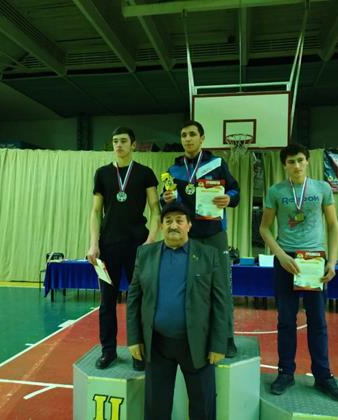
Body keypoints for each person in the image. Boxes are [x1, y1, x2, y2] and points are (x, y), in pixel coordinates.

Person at [258, 143, 338, 402]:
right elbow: (264, 228)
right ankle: (285, 372)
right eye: (291, 162)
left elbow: (333, 225)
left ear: (307, 161)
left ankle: (323, 376)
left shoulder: (322, 188)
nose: (296, 165)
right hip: (287, 261)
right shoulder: (276, 191)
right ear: (284, 165)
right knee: (286, 320)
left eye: (300, 160)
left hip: (314, 261)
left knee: (317, 321)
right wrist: (280, 255)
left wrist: (332, 262)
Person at [127, 201, 228, 420]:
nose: (173, 225)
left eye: (179, 221)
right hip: (157, 345)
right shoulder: (145, 254)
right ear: (161, 225)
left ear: (189, 225)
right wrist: (134, 338)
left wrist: (219, 344)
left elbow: (221, 303)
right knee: (156, 408)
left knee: (203, 408)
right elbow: (134, 299)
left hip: (198, 345)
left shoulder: (208, 255)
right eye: (168, 221)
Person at [162, 120, 240, 357]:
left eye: (192, 134)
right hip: (188, 237)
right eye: (183, 135)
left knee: (221, 288)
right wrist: (165, 199)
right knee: (192, 289)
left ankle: (226, 338)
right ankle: (194, 336)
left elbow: (235, 191)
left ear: (202, 138)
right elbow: (166, 203)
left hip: (215, 234)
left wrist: (229, 198)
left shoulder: (217, 164)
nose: (187, 139)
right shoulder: (173, 170)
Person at [87, 127, 160, 371]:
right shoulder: (102, 174)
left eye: (123, 141)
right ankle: (108, 351)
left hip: (137, 247)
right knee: (107, 302)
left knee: (138, 301)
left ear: (133, 144)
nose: (118, 145)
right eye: (115, 141)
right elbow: (96, 211)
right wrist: (93, 244)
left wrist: (150, 241)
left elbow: (156, 210)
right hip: (108, 247)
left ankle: (140, 352)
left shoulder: (145, 173)